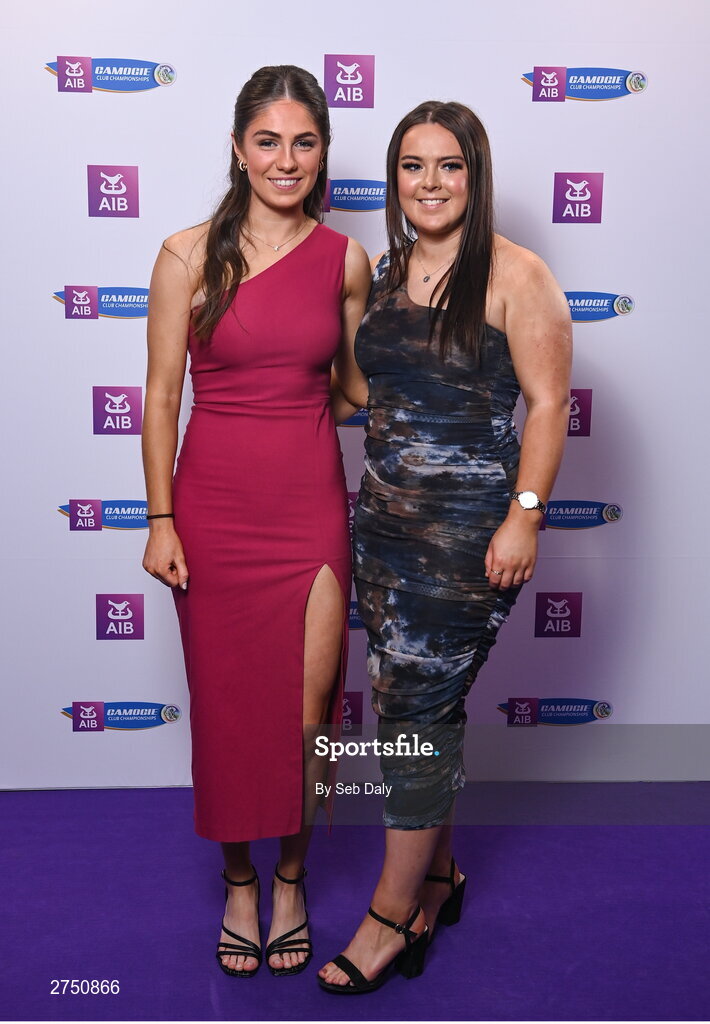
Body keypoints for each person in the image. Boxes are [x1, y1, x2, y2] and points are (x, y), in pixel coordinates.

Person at [319, 100, 572, 993]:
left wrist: (526, 515)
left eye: (450, 166)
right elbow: (361, 395)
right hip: (382, 530)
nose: (430, 184)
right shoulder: (387, 276)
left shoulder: (515, 274)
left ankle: (389, 919)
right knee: (419, 706)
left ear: (476, 175)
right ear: (394, 178)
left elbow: (547, 405)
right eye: (413, 166)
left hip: (467, 540)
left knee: (413, 722)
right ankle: (438, 877)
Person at [141, 64, 370, 979]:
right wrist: (161, 517)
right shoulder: (186, 254)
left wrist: (423, 366)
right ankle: (240, 879)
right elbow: (160, 396)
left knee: (306, 712)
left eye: (304, 143)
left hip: (309, 505)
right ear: (238, 149)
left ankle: (290, 874)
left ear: (322, 157)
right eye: (268, 141)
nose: (287, 159)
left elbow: (352, 390)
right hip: (213, 507)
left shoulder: (345, 258)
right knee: (230, 708)